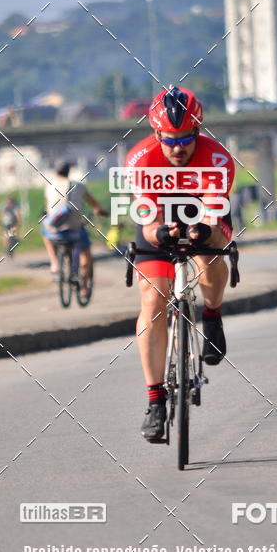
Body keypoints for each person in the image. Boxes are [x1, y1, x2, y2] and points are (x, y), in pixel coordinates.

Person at [124, 87, 236, 443]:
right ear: (156, 134)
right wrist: (161, 231)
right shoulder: (140, 159)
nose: (178, 147)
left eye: (187, 137)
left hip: (203, 212)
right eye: (169, 139)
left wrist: (201, 227)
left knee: (211, 247)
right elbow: (146, 220)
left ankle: (212, 315)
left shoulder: (217, 158)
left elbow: (214, 210)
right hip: (159, 218)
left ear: (199, 131)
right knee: (153, 300)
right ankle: (155, 401)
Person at [41, 161, 106, 290]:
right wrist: (99, 210)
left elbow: (48, 208)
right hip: (75, 230)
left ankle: (54, 263)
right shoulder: (79, 186)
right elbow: (93, 202)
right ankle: (83, 288)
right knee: (86, 253)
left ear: (55, 172)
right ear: (68, 172)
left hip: (55, 232)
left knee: (44, 232)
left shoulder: (49, 187)